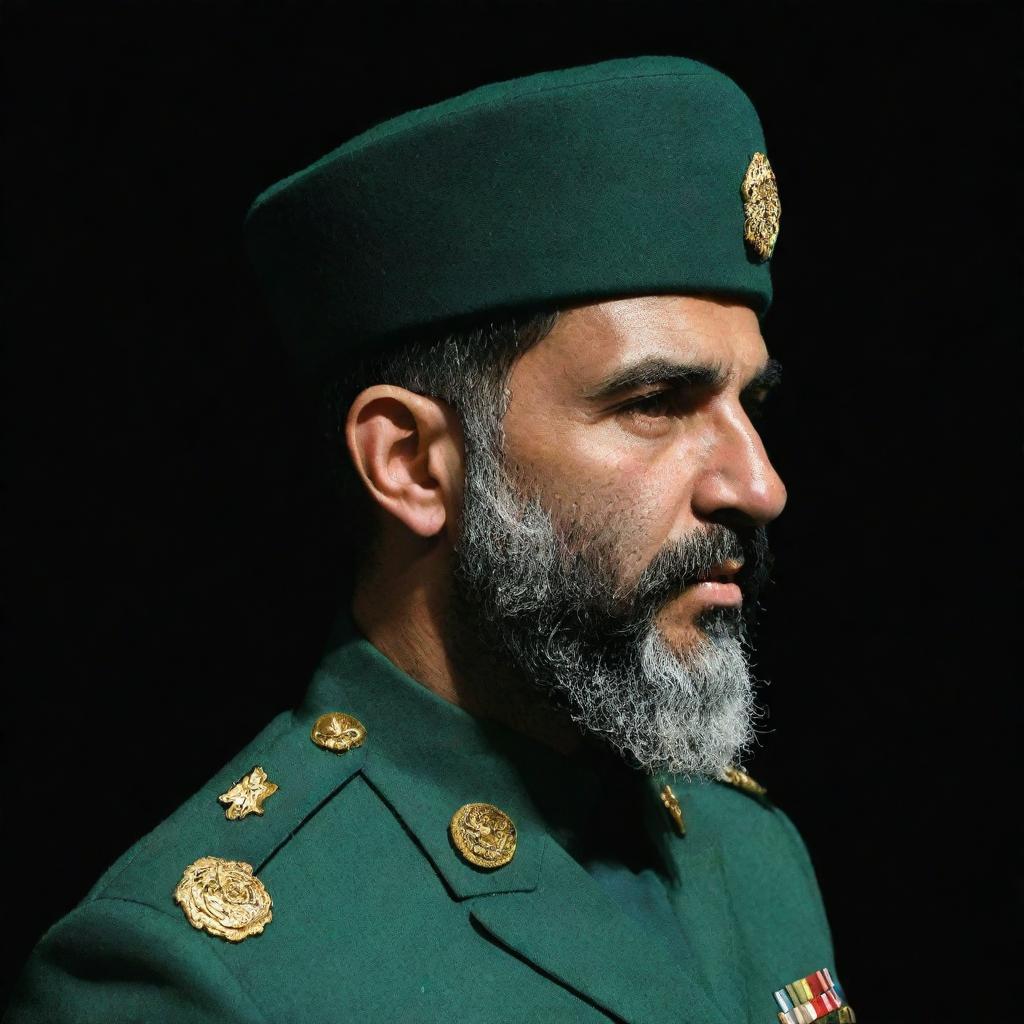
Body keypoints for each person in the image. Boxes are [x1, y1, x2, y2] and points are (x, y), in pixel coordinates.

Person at [4, 55, 855, 1024]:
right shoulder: (201, 974)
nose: (759, 484)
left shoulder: (743, 848)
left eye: (750, 404)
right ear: (410, 462)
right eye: (654, 403)